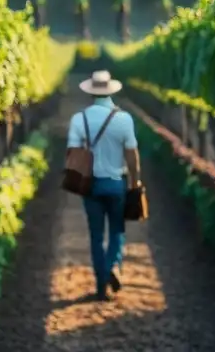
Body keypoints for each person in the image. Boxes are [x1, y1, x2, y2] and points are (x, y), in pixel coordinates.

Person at [67, 70, 141, 301]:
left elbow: (73, 153)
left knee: (96, 236)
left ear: (91, 92)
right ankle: (114, 265)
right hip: (116, 183)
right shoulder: (124, 119)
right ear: (111, 91)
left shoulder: (80, 119)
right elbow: (132, 155)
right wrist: (135, 181)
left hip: (91, 185)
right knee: (117, 229)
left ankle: (100, 285)